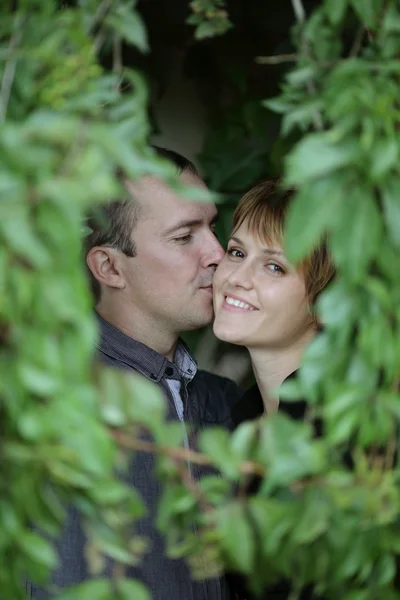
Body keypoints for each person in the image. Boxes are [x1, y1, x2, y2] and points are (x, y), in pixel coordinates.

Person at [28, 147, 242, 600]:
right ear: (109, 267)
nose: (218, 254)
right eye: (185, 236)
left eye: (211, 225)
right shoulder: (48, 413)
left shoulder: (225, 403)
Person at [212, 179, 335, 599]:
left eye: (274, 266)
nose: (236, 278)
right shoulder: (235, 415)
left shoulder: (340, 429)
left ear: (323, 301)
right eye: (237, 252)